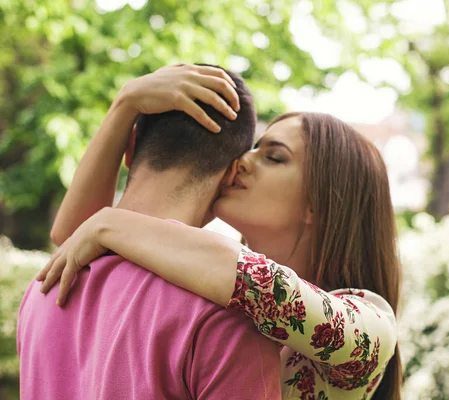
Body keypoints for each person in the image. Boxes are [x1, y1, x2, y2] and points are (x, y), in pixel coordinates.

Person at [39, 63, 403, 400]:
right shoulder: (208, 281)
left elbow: (260, 284)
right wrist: (126, 104)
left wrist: (110, 220)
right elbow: (76, 242)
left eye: (273, 157)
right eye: (254, 148)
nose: (242, 161)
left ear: (320, 205)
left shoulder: (373, 325)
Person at [17, 64, 282, 400]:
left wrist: (125, 103)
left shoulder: (44, 286)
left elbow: (68, 232)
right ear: (232, 175)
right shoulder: (227, 311)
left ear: (128, 150)